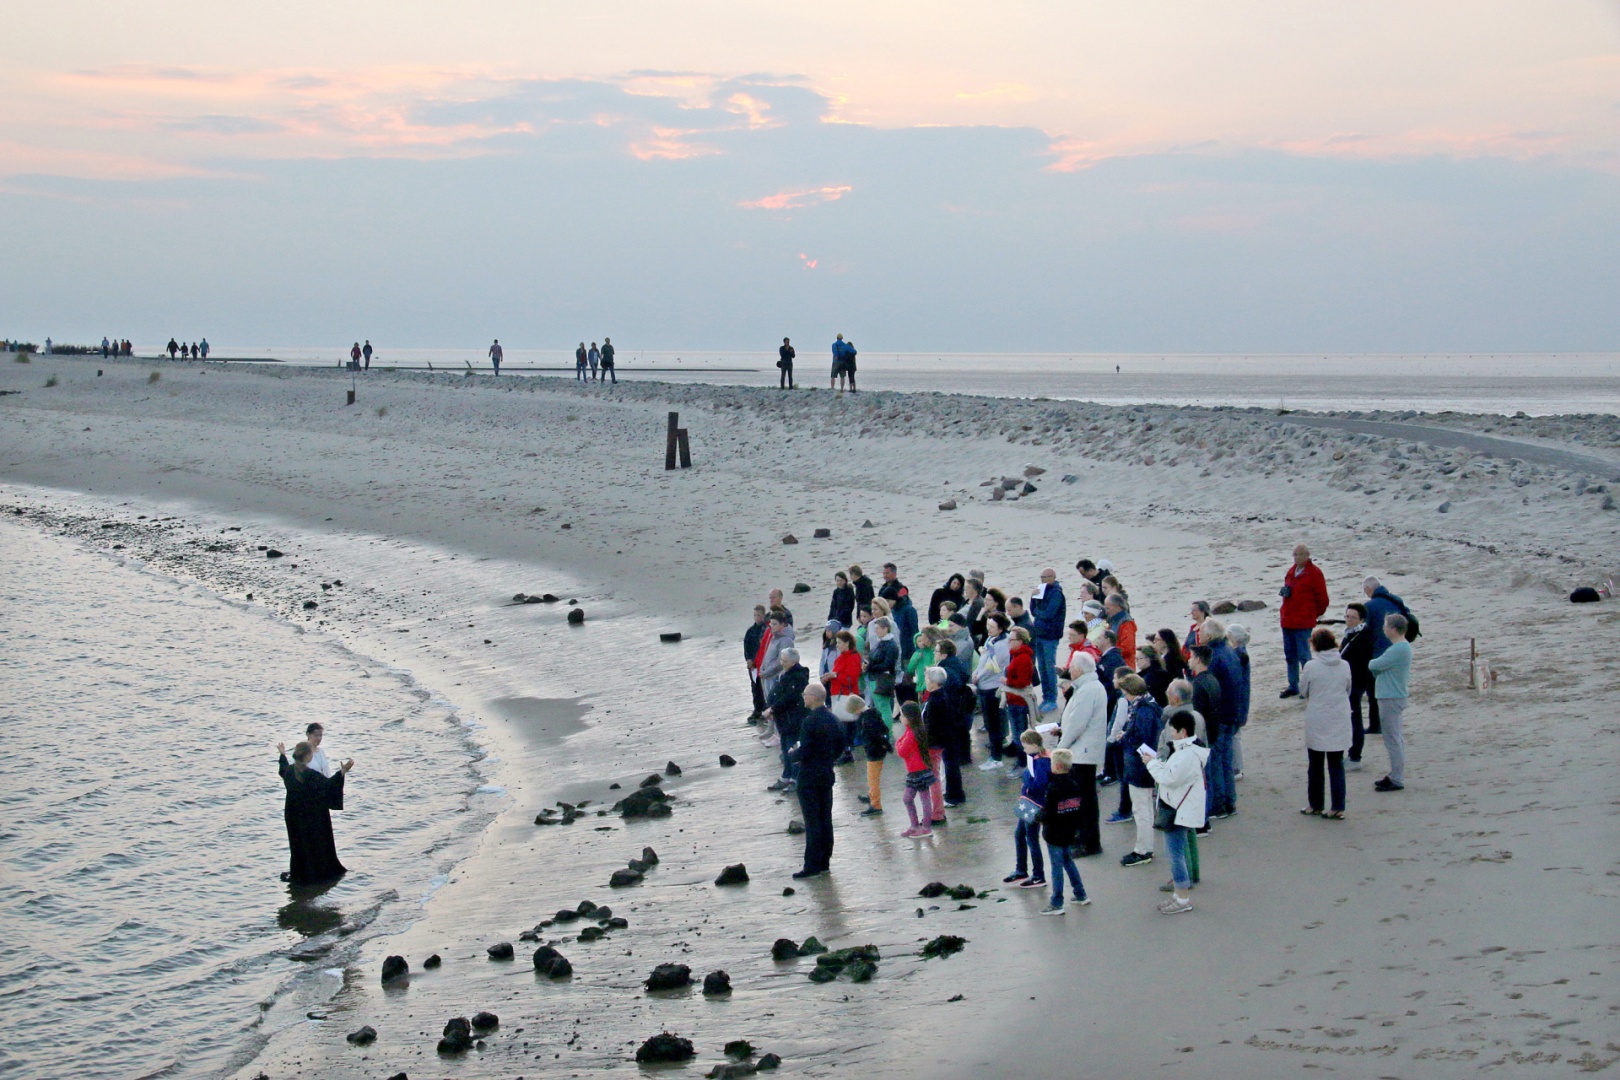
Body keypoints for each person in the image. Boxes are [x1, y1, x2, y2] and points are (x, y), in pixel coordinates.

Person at [1141, 711, 1207, 914]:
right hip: (1181, 808)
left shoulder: (1186, 754)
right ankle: (1179, 896)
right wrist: (1158, 764)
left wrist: (1151, 763)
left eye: (1172, 730)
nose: (1170, 733)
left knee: (1175, 854)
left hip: (1178, 810)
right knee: (1175, 853)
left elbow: (1169, 778)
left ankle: (1183, 898)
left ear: (1182, 731)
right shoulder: (1190, 750)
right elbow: (1173, 773)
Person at [277, 739, 352, 884]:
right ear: (308, 757)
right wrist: (342, 772)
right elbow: (329, 785)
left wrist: (282, 754)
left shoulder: (289, 772)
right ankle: (316, 873)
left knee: (298, 844)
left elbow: (282, 768)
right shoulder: (310, 775)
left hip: (293, 815)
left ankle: (300, 873)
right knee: (315, 843)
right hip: (311, 815)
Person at [789, 683, 843, 878]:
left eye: (805, 694)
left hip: (809, 776)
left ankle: (811, 865)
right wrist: (828, 759)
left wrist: (793, 754)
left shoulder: (810, 721)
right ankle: (824, 862)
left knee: (812, 822)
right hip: (827, 773)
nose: (803, 697)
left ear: (813, 697)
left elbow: (806, 749)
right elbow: (840, 745)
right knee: (825, 819)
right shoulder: (833, 718)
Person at [1055, 653, 1106, 856]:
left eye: (1072, 667)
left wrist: (1061, 747)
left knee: (1085, 800)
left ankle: (1089, 842)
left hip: (1083, 752)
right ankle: (1082, 836)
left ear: (1079, 669)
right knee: (1083, 798)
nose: (1070, 670)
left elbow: (1078, 723)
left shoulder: (1087, 689)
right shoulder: (1087, 687)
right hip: (1082, 750)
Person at [1298, 627, 1351, 817]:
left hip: (1318, 717)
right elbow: (1348, 688)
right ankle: (1338, 807)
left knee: (1316, 763)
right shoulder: (1344, 665)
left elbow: (1303, 690)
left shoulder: (1311, 666)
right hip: (1339, 716)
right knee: (1337, 764)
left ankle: (1316, 804)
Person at [1118, 673, 1165, 866]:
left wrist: (1125, 737)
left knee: (1141, 809)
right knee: (1144, 807)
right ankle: (1145, 847)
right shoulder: (1150, 704)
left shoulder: (1143, 710)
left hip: (1140, 766)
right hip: (1144, 764)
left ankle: (1143, 850)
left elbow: (1143, 740)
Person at [1038, 749, 1092, 915]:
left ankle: (1057, 902)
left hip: (1054, 833)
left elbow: (1048, 812)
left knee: (1056, 867)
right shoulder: (1075, 785)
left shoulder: (1053, 788)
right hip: (1070, 831)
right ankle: (1080, 894)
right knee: (1068, 861)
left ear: (1058, 766)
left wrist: (1037, 816)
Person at [1367, 613, 1414, 792]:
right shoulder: (1401, 647)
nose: (1384, 629)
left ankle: (1397, 778)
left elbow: (1374, 665)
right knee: (1395, 737)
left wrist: (1373, 664)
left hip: (1391, 697)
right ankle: (1395, 774)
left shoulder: (1398, 649)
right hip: (1393, 695)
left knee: (1392, 738)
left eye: (1386, 626)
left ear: (1393, 629)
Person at [1201, 623, 1243, 819]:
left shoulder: (1215, 656)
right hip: (1231, 714)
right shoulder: (1228, 651)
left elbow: (1213, 690)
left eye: (1201, 632)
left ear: (1208, 635)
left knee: (1216, 761)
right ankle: (1229, 802)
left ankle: (1219, 805)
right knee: (1226, 760)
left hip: (1220, 717)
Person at [1279, 544, 1330, 697]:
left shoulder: (1314, 573)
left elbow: (1323, 598)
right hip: (1287, 619)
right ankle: (1293, 685)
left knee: (1304, 655)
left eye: (1300, 555)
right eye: (1295, 555)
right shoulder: (1291, 571)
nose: (1297, 558)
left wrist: (1313, 614)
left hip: (1303, 621)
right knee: (1290, 655)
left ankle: (1309, 685)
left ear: (1308, 555)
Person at [1006, 730, 1049, 888]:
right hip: (1029, 802)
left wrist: (1027, 788)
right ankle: (1021, 870)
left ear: (1034, 745)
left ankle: (1038, 875)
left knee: (1031, 839)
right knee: (1020, 835)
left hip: (1034, 803)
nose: (1023, 749)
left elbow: (1040, 783)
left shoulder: (1042, 762)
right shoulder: (1035, 759)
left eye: (1025, 746)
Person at [762, 646, 809, 791]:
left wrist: (773, 709)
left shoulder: (797, 676)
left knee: (791, 749)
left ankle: (795, 779)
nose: (781, 663)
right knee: (784, 748)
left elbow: (789, 697)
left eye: (784, 660)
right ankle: (786, 776)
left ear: (793, 662)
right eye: (781, 659)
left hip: (793, 719)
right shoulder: (786, 673)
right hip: (784, 719)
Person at [1339, 602, 1375, 767]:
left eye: (1353, 617)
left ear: (1361, 619)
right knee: (1349, 719)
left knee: (1355, 719)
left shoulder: (1364, 636)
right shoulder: (1350, 633)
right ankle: (1352, 754)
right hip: (1348, 682)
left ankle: (1355, 756)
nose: (1349, 620)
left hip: (1356, 683)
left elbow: (1361, 664)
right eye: (1347, 616)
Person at [972, 613, 1009, 770]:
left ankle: (996, 757)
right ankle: (995, 755)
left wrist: (977, 676)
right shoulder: (991, 640)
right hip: (985, 684)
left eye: (992, 627)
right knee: (990, 723)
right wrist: (976, 672)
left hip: (992, 687)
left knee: (993, 724)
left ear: (1001, 629)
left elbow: (992, 666)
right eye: (988, 626)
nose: (989, 629)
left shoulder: (1001, 645)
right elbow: (983, 659)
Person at [895, 702, 935, 838]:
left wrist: (897, 743)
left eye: (902, 715)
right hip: (916, 770)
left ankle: (926, 827)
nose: (900, 718)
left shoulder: (912, 733)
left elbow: (902, 751)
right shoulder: (912, 729)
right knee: (909, 798)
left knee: (922, 799)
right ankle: (915, 825)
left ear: (909, 717)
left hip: (918, 771)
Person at [1028, 568, 1066, 713]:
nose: (1043, 580)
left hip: (1050, 636)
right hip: (1039, 634)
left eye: (1046, 577)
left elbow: (1049, 614)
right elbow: (1033, 611)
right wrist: (1032, 598)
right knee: (1042, 667)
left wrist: (1038, 613)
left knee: (1049, 667)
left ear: (1053, 577)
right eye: (1041, 577)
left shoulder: (1056, 593)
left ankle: (1052, 699)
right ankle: (1046, 697)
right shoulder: (1042, 590)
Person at [922, 666, 955, 824]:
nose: (926, 681)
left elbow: (931, 725)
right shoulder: (941, 696)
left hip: (933, 744)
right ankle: (937, 811)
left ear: (934, 682)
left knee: (933, 779)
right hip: (939, 742)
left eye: (928, 679)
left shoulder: (935, 699)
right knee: (935, 777)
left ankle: (937, 813)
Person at [1002, 627, 1037, 769]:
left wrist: (1006, 682)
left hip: (1019, 701)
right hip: (1014, 699)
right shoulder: (1017, 655)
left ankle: (1023, 764)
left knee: (1019, 736)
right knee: (1017, 734)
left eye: (1012, 639)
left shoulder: (1023, 658)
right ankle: (1022, 763)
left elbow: (1023, 682)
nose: (1009, 642)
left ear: (1020, 641)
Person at [1226, 623, 1254, 779]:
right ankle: (1237, 767)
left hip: (1238, 701)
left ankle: (1237, 768)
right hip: (1241, 700)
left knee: (1235, 735)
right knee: (1236, 735)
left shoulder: (1238, 655)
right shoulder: (1241, 653)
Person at [854, 695, 890, 816]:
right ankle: (872, 796)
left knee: (873, 779)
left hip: (874, 752)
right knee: (873, 778)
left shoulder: (866, 720)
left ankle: (875, 805)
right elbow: (884, 730)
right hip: (879, 750)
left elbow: (872, 736)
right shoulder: (873, 714)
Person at [866, 616, 900, 726]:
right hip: (874, 678)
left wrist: (870, 666)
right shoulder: (879, 643)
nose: (876, 631)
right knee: (879, 708)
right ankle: (884, 733)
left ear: (886, 628)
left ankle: (889, 734)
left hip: (883, 679)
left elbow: (888, 664)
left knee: (884, 708)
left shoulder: (891, 645)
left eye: (878, 628)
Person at [743, 605, 769, 721]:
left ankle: (766, 708)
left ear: (763, 615)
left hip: (764, 663)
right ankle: (757, 709)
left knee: (765, 686)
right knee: (755, 687)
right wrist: (748, 660)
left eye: (759, 615)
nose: (757, 618)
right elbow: (746, 647)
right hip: (753, 665)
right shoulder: (750, 631)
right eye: (755, 615)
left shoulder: (766, 629)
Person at [1104, 593, 1136, 668]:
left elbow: (1128, 648)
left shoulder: (1126, 623)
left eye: (1108, 608)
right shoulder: (1114, 620)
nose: (1106, 611)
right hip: (1115, 663)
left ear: (1117, 606)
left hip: (1125, 665)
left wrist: (1110, 652)